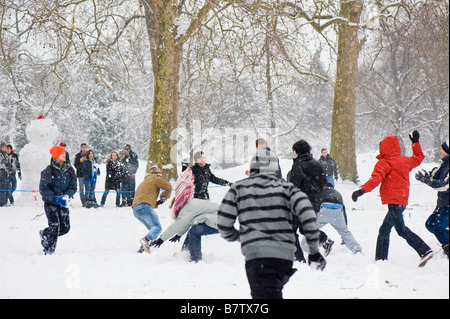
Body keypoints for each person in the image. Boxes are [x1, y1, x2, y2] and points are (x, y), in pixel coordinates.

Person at [218, 148, 325, 299]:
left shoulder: (239, 188)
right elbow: (308, 214)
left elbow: (223, 225)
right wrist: (313, 251)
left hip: (257, 257)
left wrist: (242, 237)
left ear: (252, 167)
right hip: (284, 257)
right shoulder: (287, 189)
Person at [352, 131, 433, 265]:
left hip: (394, 202)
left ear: (383, 148)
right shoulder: (404, 161)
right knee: (384, 230)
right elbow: (418, 157)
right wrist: (415, 142)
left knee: (401, 230)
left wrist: (361, 191)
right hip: (402, 200)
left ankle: (424, 250)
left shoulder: (384, 163)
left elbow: (375, 179)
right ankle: (381, 259)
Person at [287, 139, 333, 262]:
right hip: (315, 202)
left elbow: (293, 185)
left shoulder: (298, 165)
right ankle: (325, 240)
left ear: (297, 152)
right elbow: (324, 181)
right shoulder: (317, 163)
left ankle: (299, 258)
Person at [150, 199, 220, 262]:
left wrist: (161, 239)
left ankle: (195, 259)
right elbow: (187, 222)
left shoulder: (188, 208)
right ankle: (185, 253)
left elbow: (178, 223)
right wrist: (179, 235)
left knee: (195, 230)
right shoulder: (191, 204)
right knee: (192, 231)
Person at [301, 183, 362, 255]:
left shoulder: (319, 190)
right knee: (344, 231)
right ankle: (356, 249)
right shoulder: (337, 193)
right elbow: (343, 212)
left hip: (323, 209)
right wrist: (344, 226)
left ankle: (305, 251)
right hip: (337, 211)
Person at [39, 145, 77, 254]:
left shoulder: (70, 170)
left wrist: (67, 196)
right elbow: (43, 189)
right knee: (55, 227)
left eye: (65, 153)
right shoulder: (48, 170)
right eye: (62, 153)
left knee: (65, 228)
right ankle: (48, 250)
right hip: (51, 203)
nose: (65, 154)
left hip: (63, 203)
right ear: (56, 156)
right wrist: (55, 198)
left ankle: (45, 233)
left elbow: (73, 186)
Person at [415, 139, 449, 258]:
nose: (440, 152)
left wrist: (429, 182)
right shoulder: (444, 164)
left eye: (442, 149)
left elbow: (445, 186)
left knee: (438, 228)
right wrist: (425, 177)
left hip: (448, 206)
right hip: (442, 204)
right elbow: (435, 175)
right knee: (430, 224)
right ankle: (447, 237)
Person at [133, 165, 172, 253]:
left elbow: (146, 195)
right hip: (144, 206)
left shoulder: (146, 180)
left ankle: (143, 249)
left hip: (136, 209)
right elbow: (169, 187)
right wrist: (164, 197)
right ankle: (146, 240)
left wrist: (157, 203)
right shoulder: (156, 178)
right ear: (159, 173)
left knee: (152, 230)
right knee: (157, 228)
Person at [0, 142, 10, 207]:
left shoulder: (5, 154)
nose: (5, 148)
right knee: (2, 188)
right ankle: (1, 202)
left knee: (6, 187)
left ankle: (5, 201)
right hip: (1, 171)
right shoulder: (1, 154)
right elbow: (3, 161)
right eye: (4, 147)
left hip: (6, 172)